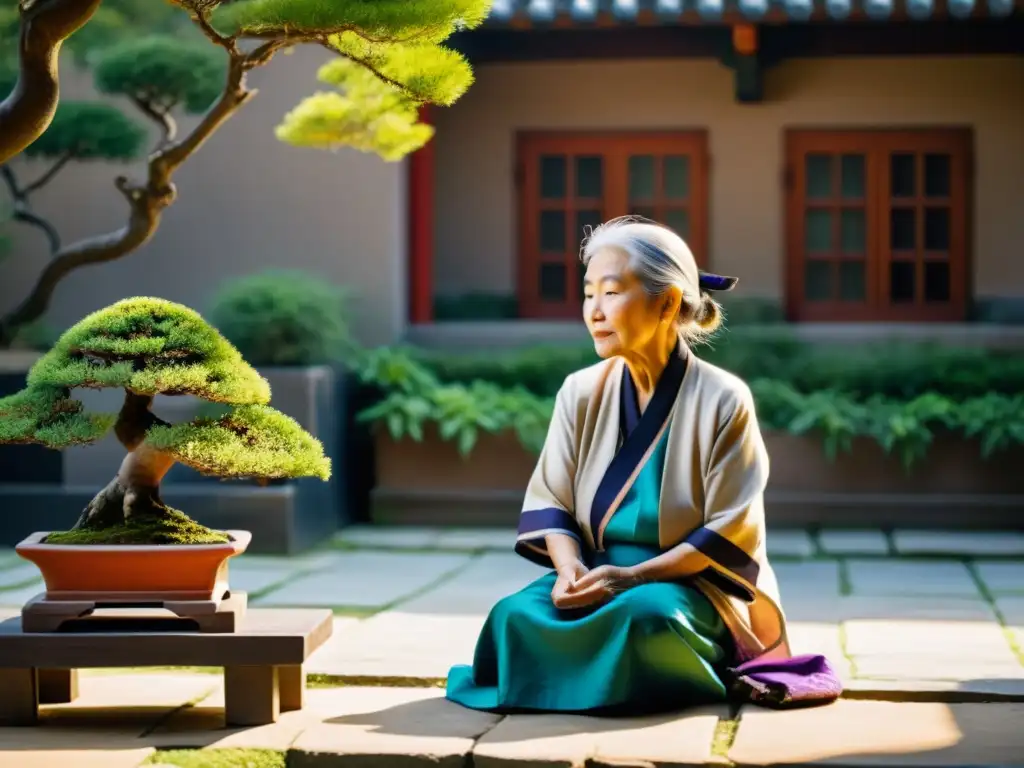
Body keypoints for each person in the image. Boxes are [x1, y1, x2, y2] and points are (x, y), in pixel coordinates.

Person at [445, 216, 797, 715]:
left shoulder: (724, 399)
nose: (594, 311)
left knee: (643, 621)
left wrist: (633, 578)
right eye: (588, 294)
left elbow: (730, 530)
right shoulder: (581, 390)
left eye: (611, 293)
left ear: (668, 302)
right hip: (595, 571)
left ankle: (627, 672)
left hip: (688, 584)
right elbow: (553, 501)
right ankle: (601, 680)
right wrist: (568, 571)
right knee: (513, 616)